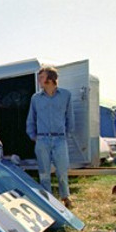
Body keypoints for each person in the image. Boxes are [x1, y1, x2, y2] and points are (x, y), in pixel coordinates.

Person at [26, 66, 75, 208]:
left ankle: (66, 198)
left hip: (60, 139)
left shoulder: (66, 95)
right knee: (44, 172)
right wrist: (33, 136)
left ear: (50, 79)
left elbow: (69, 117)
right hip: (42, 140)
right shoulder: (35, 98)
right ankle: (48, 201)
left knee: (62, 171)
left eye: (41, 77)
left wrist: (67, 134)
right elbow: (31, 118)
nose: (39, 80)